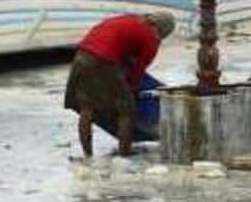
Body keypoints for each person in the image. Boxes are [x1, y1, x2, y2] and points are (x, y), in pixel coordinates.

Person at [64, 11, 177, 158]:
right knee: (126, 110)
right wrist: (130, 92)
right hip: (104, 61)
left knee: (87, 107)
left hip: (82, 55)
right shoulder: (150, 41)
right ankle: (124, 155)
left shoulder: (130, 19)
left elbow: (117, 43)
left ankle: (87, 154)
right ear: (160, 30)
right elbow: (136, 74)